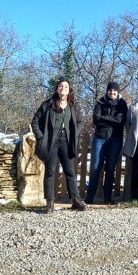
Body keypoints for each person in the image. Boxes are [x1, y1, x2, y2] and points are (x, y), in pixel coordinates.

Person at [31, 79, 86, 213]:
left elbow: (80, 121)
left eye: (66, 86)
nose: (63, 88)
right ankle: (50, 202)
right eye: (61, 86)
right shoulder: (48, 104)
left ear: (69, 90)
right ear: (57, 89)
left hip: (66, 141)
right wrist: (40, 137)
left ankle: (76, 200)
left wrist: (74, 133)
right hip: (51, 141)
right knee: (50, 171)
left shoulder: (73, 106)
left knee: (70, 172)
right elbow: (35, 121)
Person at [85, 81, 128, 205]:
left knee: (110, 168)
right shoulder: (100, 102)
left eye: (114, 90)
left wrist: (104, 118)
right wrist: (110, 120)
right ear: (107, 91)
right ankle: (89, 197)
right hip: (99, 138)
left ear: (117, 92)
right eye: (110, 90)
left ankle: (107, 198)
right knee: (95, 167)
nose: (112, 92)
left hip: (115, 139)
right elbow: (96, 119)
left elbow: (120, 120)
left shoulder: (122, 104)